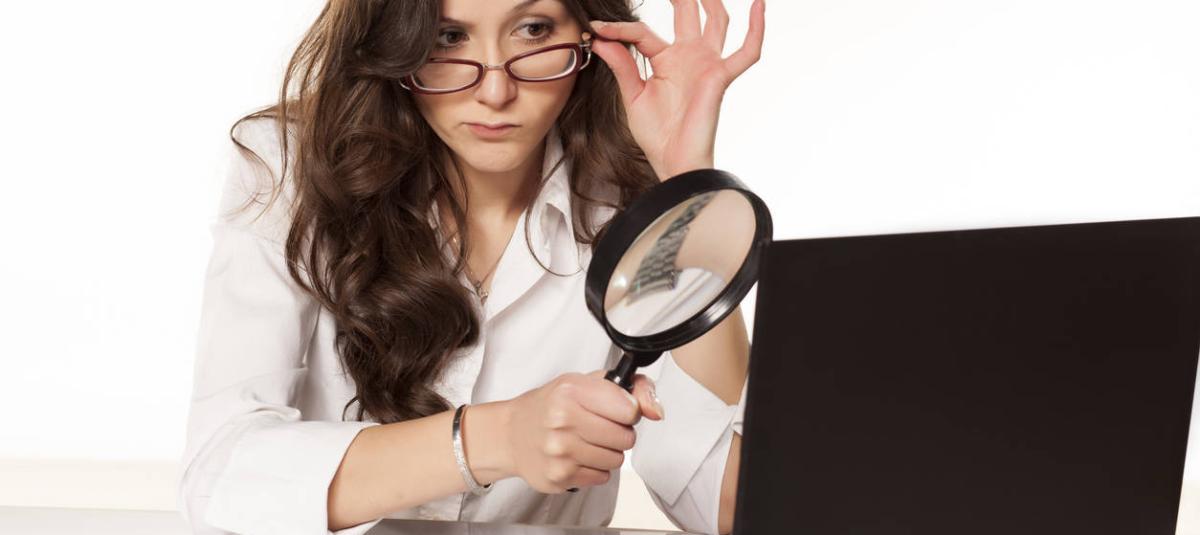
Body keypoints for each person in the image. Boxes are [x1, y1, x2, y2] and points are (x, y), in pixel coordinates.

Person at [177, 0, 765, 534]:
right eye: (448, 37)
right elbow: (221, 476)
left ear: (591, 35)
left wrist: (687, 183)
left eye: (533, 30)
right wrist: (497, 437)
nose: (495, 90)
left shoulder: (631, 200)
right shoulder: (290, 166)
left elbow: (733, 506)